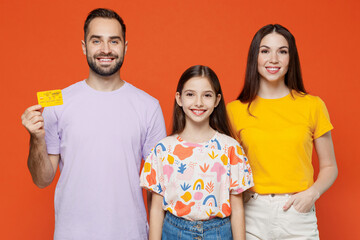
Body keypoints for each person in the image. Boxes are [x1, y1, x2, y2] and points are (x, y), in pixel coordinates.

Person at [20, 8, 166, 240]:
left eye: (114, 41)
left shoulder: (148, 107)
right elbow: (42, 180)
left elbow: (158, 187)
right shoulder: (59, 103)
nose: (106, 49)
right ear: (84, 46)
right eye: (96, 40)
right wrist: (36, 139)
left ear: (125, 47)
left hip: (131, 234)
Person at [227, 24, 338, 239]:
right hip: (252, 212)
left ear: (291, 58)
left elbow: (330, 166)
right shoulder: (234, 111)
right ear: (254, 57)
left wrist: (312, 194)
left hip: (297, 211)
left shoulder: (312, 106)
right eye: (265, 51)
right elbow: (227, 169)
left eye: (282, 51)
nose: (274, 59)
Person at [140, 65, 253, 240]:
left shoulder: (231, 148)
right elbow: (156, 208)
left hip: (219, 232)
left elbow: (237, 207)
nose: (198, 102)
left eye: (207, 95)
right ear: (179, 98)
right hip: (174, 231)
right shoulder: (163, 149)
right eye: (190, 94)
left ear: (217, 100)